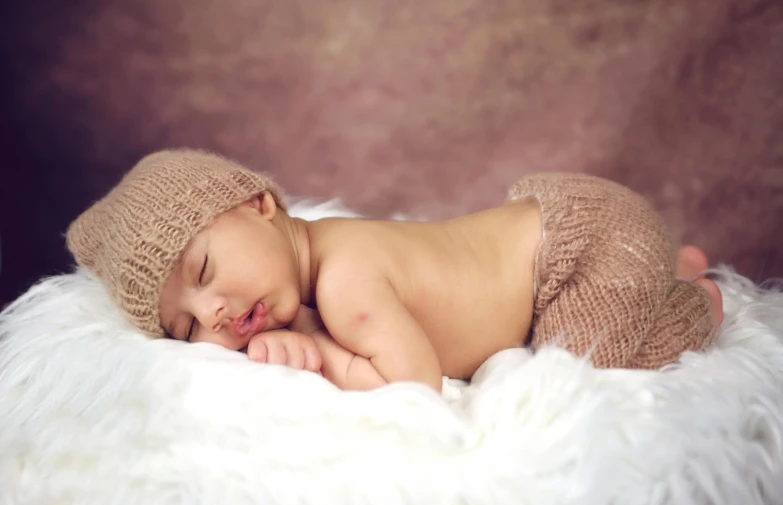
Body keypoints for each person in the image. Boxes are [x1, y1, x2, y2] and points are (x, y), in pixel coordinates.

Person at [66, 149, 723, 392]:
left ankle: (692, 300)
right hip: (558, 225)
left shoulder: (344, 282)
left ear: (258, 205)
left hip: (578, 245)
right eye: (185, 329)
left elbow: (412, 387)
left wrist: (318, 350)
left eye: (203, 266)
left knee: (583, 374)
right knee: (593, 324)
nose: (211, 312)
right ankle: (668, 260)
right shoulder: (320, 255)